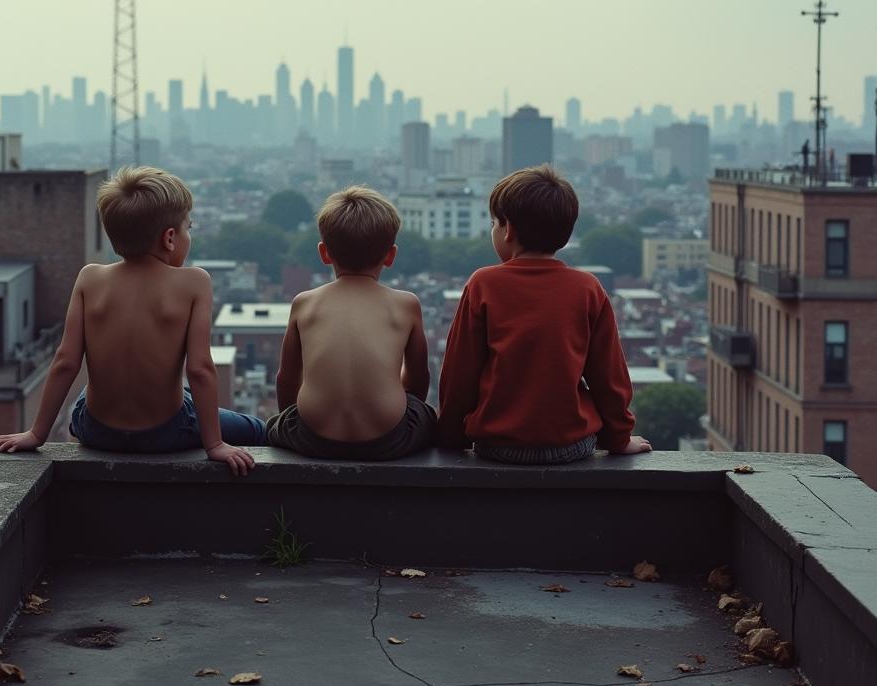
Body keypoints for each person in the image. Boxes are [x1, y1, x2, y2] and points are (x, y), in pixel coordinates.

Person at [0, 166, 264, 475]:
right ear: (170, 238)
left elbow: (65, 361)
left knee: (92, 390)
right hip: (166, 433)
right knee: (256, 429)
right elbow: (200, 369)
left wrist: (36, 434)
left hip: (97, 432)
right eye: (189, 227)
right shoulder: (194, 282)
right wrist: (215, 445)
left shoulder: (89, 278)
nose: (190, 235)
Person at [438, 165, 652, 464]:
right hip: (572, 446)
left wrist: (451, 437)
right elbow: (609, 378)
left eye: (493, 223)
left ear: (508, 229)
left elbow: (460, 374)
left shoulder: (483, 284)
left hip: (497, 445)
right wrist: (619, 439)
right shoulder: (588, 288)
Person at [267, 186, 435, 460]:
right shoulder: (406, 305)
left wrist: (291, 419)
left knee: (269, 426)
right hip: (389, 441)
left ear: (324, 253)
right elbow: (419, 377)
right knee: (427, 416)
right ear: (390, 255)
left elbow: (287, 378)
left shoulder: (305, 303)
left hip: (312, 439)